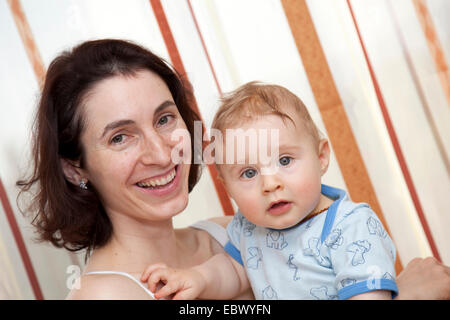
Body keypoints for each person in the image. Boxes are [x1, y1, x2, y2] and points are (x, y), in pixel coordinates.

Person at [16, 39, 450, 300]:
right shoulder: (106, 295)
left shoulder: (236, 231)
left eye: (165, 119)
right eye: (120, 137)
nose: (161, 153)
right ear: (76, 169)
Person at [141, 82, 447, 300]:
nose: (270, 184)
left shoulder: (349, 227)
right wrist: (197, 280)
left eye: (285, 160)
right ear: (227, 187)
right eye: (248, 173)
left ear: (321, 156)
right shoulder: (250, 228)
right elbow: (234, 272)